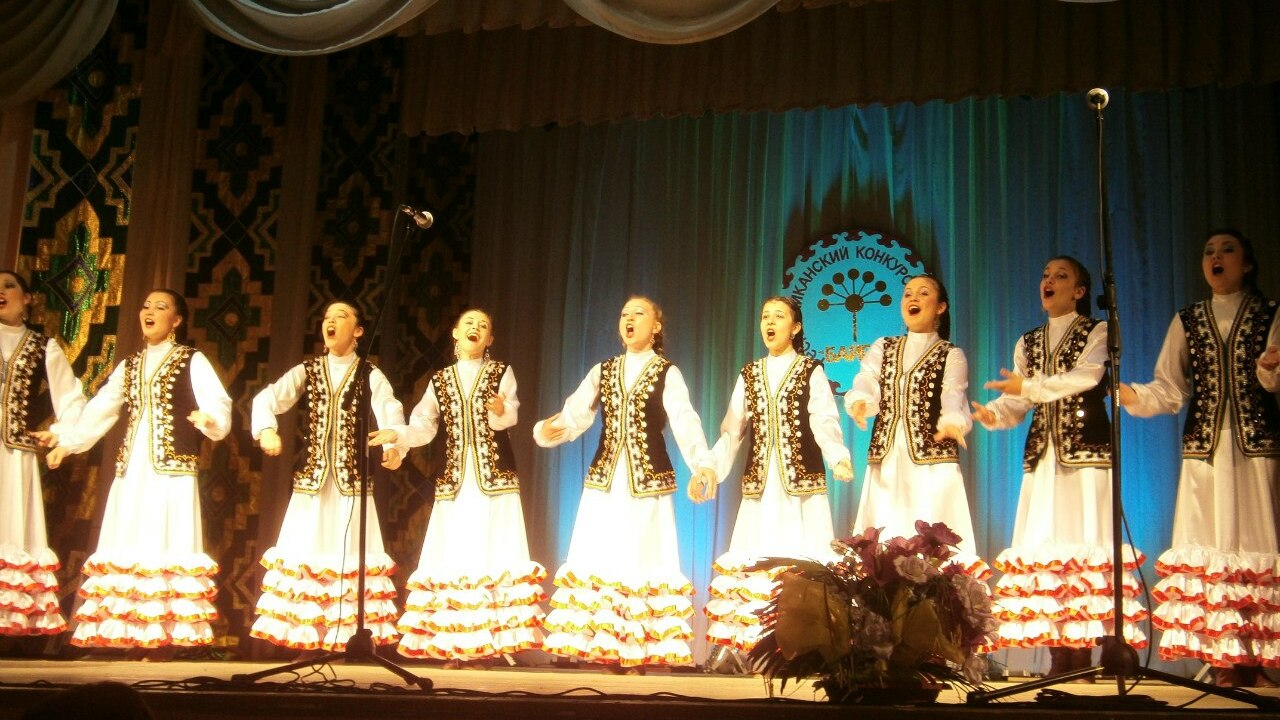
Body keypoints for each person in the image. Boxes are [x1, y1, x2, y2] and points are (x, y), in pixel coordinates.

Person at [971, 256, 1146, 677]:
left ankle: (1084, 651)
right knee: (1046, 548)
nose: (1048, 281)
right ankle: (1058, 656)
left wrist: (1028, 387)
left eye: (1060, 276)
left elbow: (1086, 377)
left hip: (1085, 455)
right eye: (1045, 275)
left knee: (1083, 542)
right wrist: (995, 413)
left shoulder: (1098, 331)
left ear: (1080, 291)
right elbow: (1017, 400)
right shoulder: (1028, 341)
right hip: (1043, 456)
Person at [1120, 229, 1279, 687]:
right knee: (1209, 541)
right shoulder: (1188, 319)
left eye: (1227, 249)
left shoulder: (1270, 314)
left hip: (1255, 445)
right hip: (1204, 450)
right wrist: (1134, 395)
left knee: (1256, 542)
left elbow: (1272, 380)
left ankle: (1255, 658)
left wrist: (1268, 368)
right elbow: (1170, 388)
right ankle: (1223, 657)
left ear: (1247, 264)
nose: (1216, 256)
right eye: (1209, 250)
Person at [533, 296, 715, 673]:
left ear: (656, 326)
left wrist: (702, 464)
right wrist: (551, 429)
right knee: (600, 553)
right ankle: (600, 645)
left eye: (639, 313)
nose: (629, 319)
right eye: (624, 314)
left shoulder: (667, 372)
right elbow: (576, 413)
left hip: (647, 482)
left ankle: (636, 648)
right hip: (605, 479)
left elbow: (685, 421)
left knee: (641, 558)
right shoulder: (604, 370)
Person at [45, 289, 230, 655]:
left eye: (161, 307)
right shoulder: (129, 365)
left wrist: (210, 419)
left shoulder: (191, 360)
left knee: (165, 541)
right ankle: (123, 632)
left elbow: (218, 402)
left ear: (176, 320)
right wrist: (69, 442)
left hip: (171, 469)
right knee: (129, 537)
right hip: (133, 467)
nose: (150, 311)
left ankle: (163, 636)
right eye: (146, 305)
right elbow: (102, 408)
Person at [368, 309, 545, 666]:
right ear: (455, 333)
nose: (475, 328)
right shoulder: (441, 379)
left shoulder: (501, 372)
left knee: (495, 551)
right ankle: (458, 642)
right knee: (457, 553)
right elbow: (424, 425)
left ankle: (494, 641)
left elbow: (509, 414)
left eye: (483, 325)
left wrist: (500, 409)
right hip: (455, 479)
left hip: (494, 479)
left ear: (490, 339)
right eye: (469, 323)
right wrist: (397, 438)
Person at [690, 296, 854, 654]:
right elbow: (732, 430)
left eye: (779, 316)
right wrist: (710, 466)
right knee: (757, 556)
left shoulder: (810, 370)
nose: (770, 322)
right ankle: (751, 645)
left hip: (801, 488)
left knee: (804, 558)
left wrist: (838, 456)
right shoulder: (749, 374)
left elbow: (824, 420)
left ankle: (806, 646)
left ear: (795, 327)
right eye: (765, 316)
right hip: (762, 488)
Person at [248, 300, 405, 654]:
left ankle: (346, 637)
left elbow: (389, 409)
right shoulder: (309, 370)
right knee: (309, 552)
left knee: (349, 555)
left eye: (341, 317)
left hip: (352, 484)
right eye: (327, 317)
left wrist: (394, 443)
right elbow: (268, 398)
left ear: (359, 331)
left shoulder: (369, 373)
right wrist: (266, 430)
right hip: (313, 481)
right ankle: (307, 637)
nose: (331, 322)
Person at [844, 274, 987, 575]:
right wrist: (860, 401)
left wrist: (952, 422)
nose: (913, 298)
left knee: (931, 538)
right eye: (908, 293)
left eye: (923, 293)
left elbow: (953, 395)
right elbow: (867, 379)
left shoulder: (950, 354)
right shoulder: (884, 347)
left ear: (940, 307)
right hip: (887, 458)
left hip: (931, 461)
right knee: (884, 534)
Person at [0, 270, 85, 638]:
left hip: (13, 455)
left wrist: (60, 433)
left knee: (10, 529)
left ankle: (9, 622)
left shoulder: (41, 345)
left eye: (9, 286)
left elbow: (71, 397)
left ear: (28, 298)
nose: (0, 291)